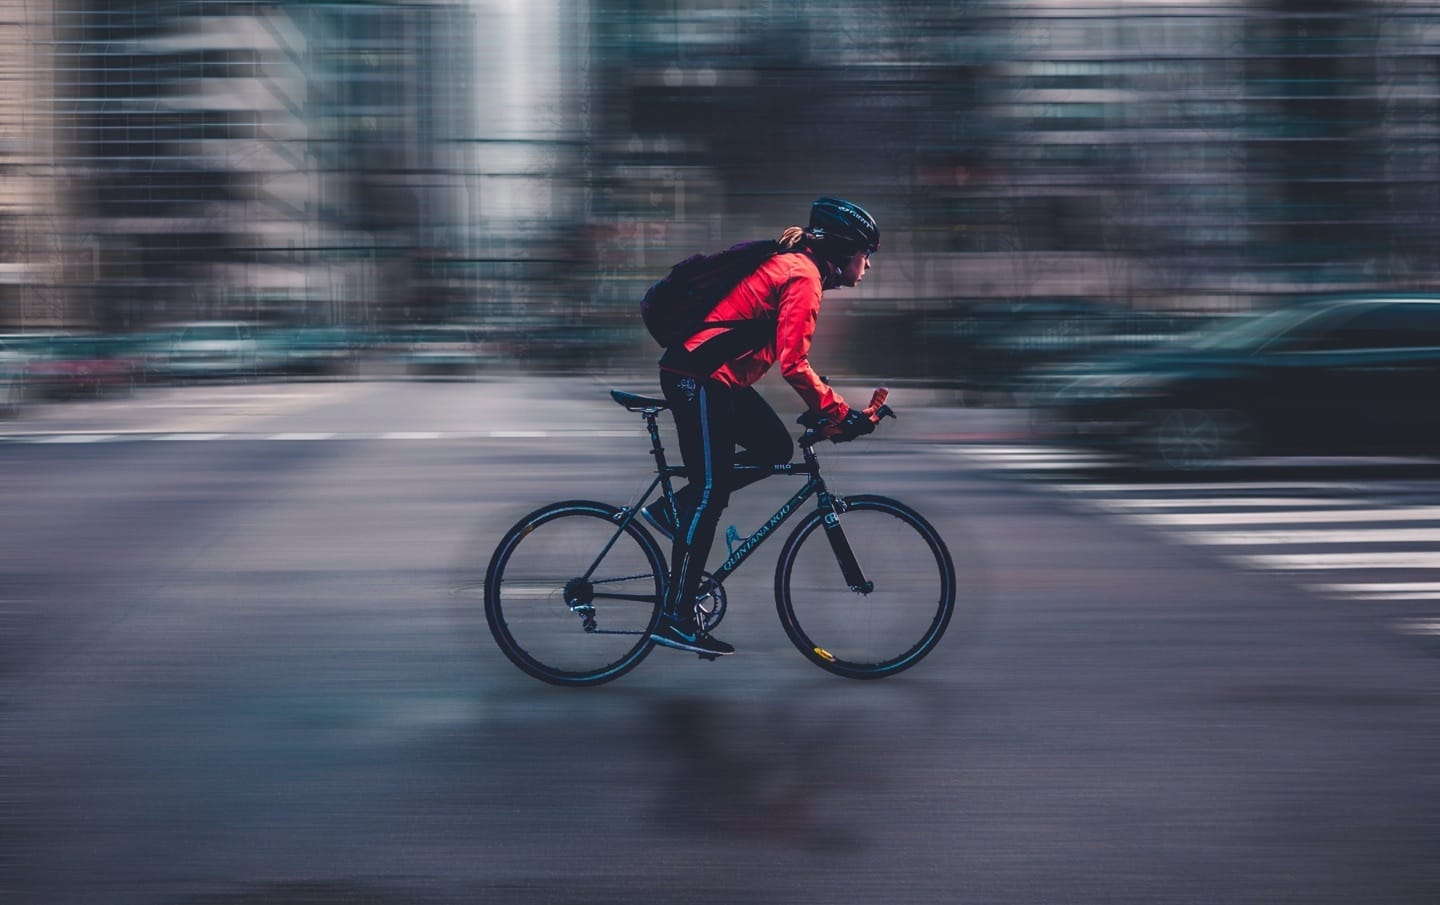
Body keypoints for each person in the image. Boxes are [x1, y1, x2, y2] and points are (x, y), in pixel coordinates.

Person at [646, 196, 884, 656]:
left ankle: (676, 510)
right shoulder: (804, 276)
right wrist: (837, 412)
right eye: (866, 253)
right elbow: (794, 364)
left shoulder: (800, 269)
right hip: (697, 376)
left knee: (774, 448)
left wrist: (831, 411)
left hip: (716, 377)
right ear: (844, 249)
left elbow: (788, 357)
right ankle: (676, 616)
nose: (868, 264)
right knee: (711, 493)